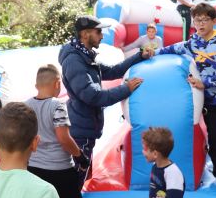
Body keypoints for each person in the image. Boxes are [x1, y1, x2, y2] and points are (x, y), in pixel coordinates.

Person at [159, 2, 216, 198]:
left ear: (213, 21)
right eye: (197, 20)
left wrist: (204, 82)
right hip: (209, 103)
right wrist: (152, 53)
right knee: (214, 139)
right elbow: (171, 49)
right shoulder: (192, 43)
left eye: (204, 20)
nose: (200, 24)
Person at [59, 15, 151, 179]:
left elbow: (113, 71)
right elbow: (92, 96)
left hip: (85, 129)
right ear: (85, 34)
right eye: (98, 32)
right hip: (81, 132)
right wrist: (126, 89)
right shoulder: (75, 61)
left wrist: (139, 56)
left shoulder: (84, 56)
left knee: (82, 179)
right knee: (75, 184)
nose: (102, 36)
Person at [26, 64, 94, 198]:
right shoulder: (57, 105)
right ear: (57, 84)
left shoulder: (26, 106)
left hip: (34, 167)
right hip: (58, 167)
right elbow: (63, 137)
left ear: (37, 84)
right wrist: (80, 157)